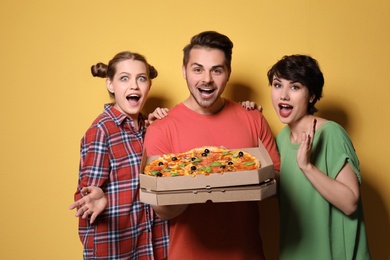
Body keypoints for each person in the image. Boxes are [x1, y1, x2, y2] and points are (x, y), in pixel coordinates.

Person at [144, 31, 280, 260]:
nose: (206, 79)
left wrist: (236, 176)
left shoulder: (253, 118)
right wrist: (203, 181)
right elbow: (162, 210)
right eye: (197, 69)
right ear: (184, 71)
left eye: (216, 70)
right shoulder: (160, 127)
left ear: (228, 73)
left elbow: (277, 179)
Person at [267, 54, 371, 259]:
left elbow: (350, 203)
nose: (283, 95)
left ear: (312, 96)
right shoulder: (282, 138)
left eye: (295, 87)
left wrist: (307, 167)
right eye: (278, 85)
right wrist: (249, 117)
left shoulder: (331, 133)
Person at [69, 51, 168, 259]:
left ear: (149, 85)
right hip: (117, 250)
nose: (134, 85)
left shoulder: (150, 129)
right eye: (124, 78)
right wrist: (93, 197)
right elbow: (85, 193)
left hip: (153, 246)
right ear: (110, 85)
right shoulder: (101, 131)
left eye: (141, 78)